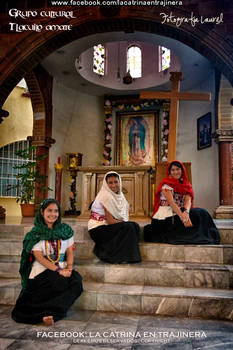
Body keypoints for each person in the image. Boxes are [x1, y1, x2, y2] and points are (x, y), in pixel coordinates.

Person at [12, 198, 83, 326]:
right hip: (41, 270)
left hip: (62, 268)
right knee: (56, 280)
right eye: (49, 211)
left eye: (56, 211)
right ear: (42, 212)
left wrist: (69, 269)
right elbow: (39, 258)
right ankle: (46, 314)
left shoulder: (65, 231)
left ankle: (54, 313)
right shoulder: (35, 234)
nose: (53, 214)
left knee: (77, 281)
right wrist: (59, 271)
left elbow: (69, 252)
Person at [144, 160, 220, 244]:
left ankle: (207, 235)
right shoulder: (166, 184)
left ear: (182, 170)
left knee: (202, 212)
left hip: (180, 211)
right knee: (196, 215)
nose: (175, 172)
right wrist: (183, 218)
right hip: (167, 216)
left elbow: (188, 201)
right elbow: (172, 204)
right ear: (170, 172)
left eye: (177, 169)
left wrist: (186, 213)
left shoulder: (186, 185)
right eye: (173, 170)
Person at [88, 171, 141, 264]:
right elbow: (111, 221)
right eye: (110, 183)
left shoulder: (119, 195)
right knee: (129, 227)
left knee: (135, 226)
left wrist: (124, 222)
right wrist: (124, 223)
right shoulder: (106, 196)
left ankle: (126, 254)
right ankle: (105, 252)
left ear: (120, 182)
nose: (114, 185)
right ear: (106, 184)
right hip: (97, 229)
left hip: (106, 225)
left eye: (116, 182)